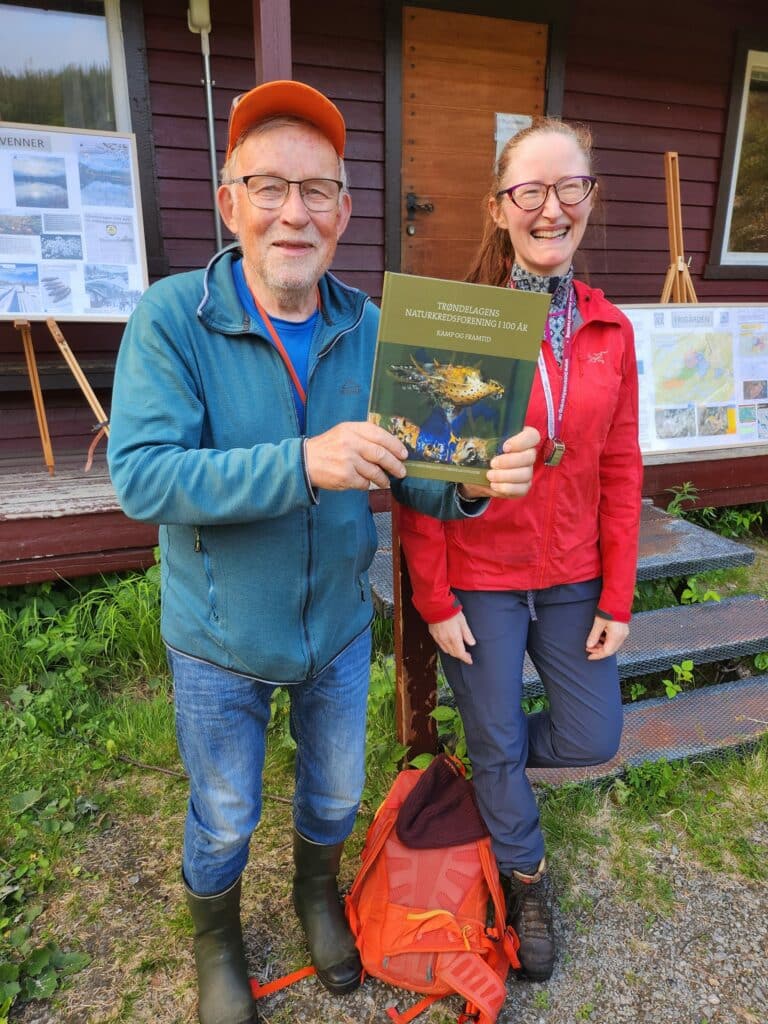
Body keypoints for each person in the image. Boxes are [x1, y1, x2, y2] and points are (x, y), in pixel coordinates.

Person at [107, 79, 540, 1024]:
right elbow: (143, 478)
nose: (293, 213)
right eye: (269, 187)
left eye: (317, 192)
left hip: (340, 628)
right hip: (218, 635)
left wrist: (473, 479)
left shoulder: (374, 327)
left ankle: (314, 893)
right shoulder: (174, 318)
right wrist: (303, 462)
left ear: (345, 212)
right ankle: (216, 938)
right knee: (225, 809)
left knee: (337, 790)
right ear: (231, 203)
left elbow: (420, 476)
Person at [396, 117, 643, 983]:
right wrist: (434, 596)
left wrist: (619, 593)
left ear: (589, 198)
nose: (550, 208)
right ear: (499, 208)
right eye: (528, 191)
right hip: (482, 575)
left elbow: (620, 464)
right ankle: (525, 870)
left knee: (590, 733)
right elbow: (423, 475)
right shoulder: (458, 323)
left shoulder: (612, 330)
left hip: (574, 573)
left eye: (568, 187)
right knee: (500, 742)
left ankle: (488, 751)